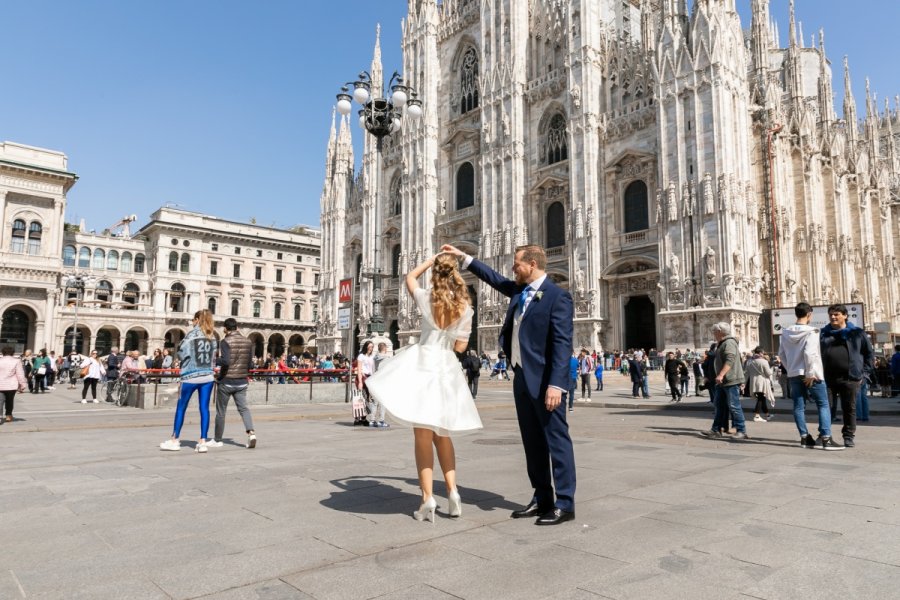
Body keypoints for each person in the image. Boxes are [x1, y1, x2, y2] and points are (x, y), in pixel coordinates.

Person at [442, 243, 576, 526]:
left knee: (557, 440)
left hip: (546, 382)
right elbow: (493, 278)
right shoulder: (519, 291)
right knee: (532, 442)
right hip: (522, 378)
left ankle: (565, 503)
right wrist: (463, 258)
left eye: (517, 263)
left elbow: (563, 345)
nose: (513, 268)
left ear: (532, 264)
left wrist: (556, 385)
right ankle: (542, 498)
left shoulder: (557, 297)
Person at [365, 253, 483, 522]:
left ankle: (427, 498)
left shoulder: (427, 298)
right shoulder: (466, 308)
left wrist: (431, 260)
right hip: (446, 367)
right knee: (443, 434)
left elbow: (409, 278)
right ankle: (453, 493)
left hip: (423, 364)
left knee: (422, 437)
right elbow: (461, 347)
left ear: (436, 275)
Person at [778, 302, 843, 449]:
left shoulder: (786, 332)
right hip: (812, 374)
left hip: (794, 374)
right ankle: (826, 438)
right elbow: (809, 353)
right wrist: (810, 373)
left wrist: (792, 369)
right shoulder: (812, 331)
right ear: (809, 315)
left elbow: (781, 354)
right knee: (823, 404)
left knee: (799, 406)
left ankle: (804, 437)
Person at [160, 310, 218, 452]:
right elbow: (214, 357)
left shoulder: (191, 335)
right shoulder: (212, 336)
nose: (192, 322)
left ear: (197, 320)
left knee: (181, 407)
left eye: (193, 319)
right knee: (204, 408)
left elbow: (181, 353)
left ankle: (175, 440)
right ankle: (203, 441)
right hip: (208, 377)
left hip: (190, 376)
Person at [819, 304, 874, 448]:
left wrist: (865, 373)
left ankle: (848, 436)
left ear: (845, 315)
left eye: (836, 314)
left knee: (849, 408)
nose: (833, 317)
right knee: (826, 407)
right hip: (828, 377)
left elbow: (869, 354)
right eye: (831, 314)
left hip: (851, 377)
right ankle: (824, 434)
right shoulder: (823, 333)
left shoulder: (856, 333)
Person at [209, 318, 257, 449]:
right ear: (237, 327)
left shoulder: (225, 341)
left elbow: (225, 361)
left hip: (227, 381)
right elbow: (250, 364)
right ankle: (251, 432)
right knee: (243, 409)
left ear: (226, 328)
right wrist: (244, 374)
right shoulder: (248, 341)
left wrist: (214, 360)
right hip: (242, 381)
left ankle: (218, 439)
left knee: (221, 412)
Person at [702, 323, 748, 440]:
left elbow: (730, 359)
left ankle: (741, 430)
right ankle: (716, 430)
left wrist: (721, 374)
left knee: (734, 406)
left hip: (730, 380)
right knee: (719, 405)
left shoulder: (729, 343)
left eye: (714, 331)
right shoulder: (722, 343)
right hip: (723, 381)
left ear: (720, 331)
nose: (713, 333)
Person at [746, 347, 774, 422]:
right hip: (762, 382)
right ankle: (757, 416)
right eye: (763, 352)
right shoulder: (763, 361)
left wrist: (743, 383)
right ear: (760, 353)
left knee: (762, 398)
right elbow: (768, 373)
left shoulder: (749, 361)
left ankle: (767, 414)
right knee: (761, 398)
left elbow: (746, 373)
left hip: (753, 382)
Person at [0, 346, 27, 422]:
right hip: (11, 386)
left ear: (3, 352)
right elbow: (20, 374)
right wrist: (23, 384)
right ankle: (8, 415)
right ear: (12, 353)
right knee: (10, 401)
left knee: (0, 401)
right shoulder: (16, 361)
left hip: (0, 385)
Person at [368, 343, 390, 427]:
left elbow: (372, 369)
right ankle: (381, 420)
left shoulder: (374, 358)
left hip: (375, 380)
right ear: (385, 349)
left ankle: (372, 420)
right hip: (383, 381)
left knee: (374, 402)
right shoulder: (387, 358)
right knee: (382, 402)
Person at [354, 341, 375, 426]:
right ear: (366, 347)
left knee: (366, 399)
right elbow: (359, 369)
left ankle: (363, 418)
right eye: (369, 347)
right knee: (360, 398)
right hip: (362, 377)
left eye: (372, 347)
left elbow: (372, 368)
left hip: (369, 377)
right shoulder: (361, 356)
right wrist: (360, 382)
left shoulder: (372, 356)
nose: (371, 348)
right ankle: (357, 419)